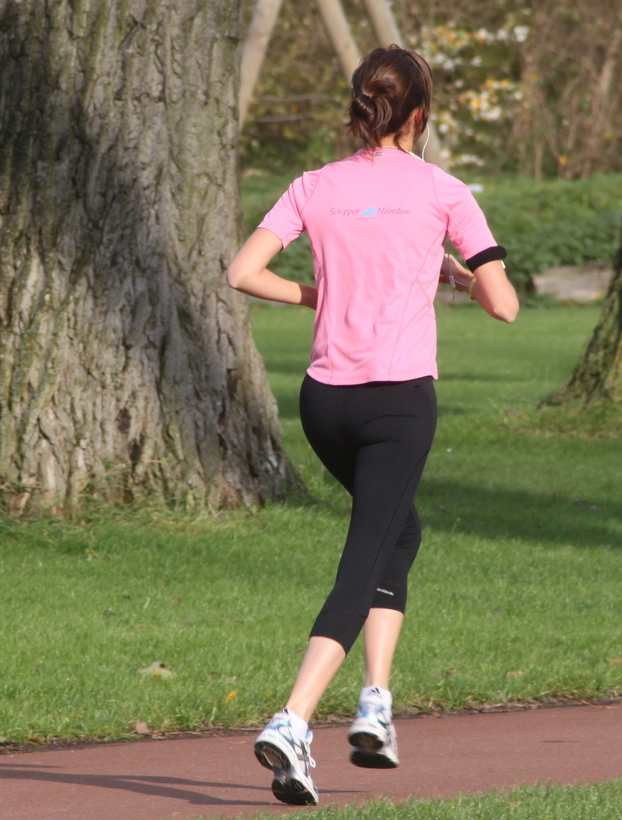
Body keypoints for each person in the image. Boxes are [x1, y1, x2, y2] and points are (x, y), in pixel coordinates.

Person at [226, 45, 518, 806]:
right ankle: (293, 720)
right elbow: (505, 304)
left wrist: (321, 295)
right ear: (421, 113)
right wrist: (461, 268)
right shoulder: (445, 190)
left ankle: (377, 707)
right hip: (396, 407)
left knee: (400, 533)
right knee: (362, 563)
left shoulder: (314, 186)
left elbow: (242, 273)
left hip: (325, 405)